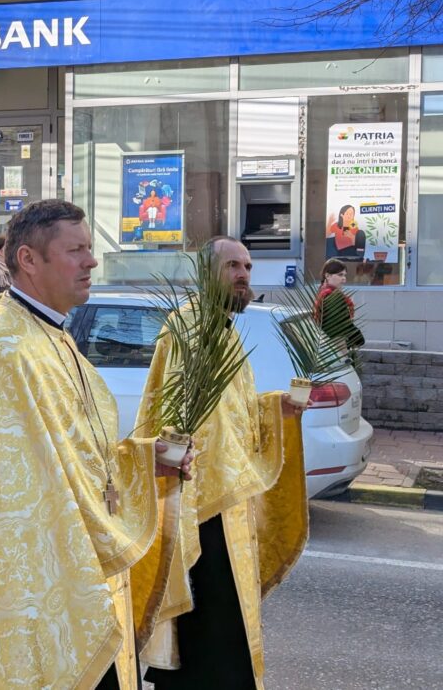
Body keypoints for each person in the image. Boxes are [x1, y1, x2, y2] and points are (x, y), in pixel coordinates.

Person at [0, 200, 190, 689]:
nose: (91, 261)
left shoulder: (49, 334)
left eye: (89, 249)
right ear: (29, 260)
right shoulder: (5, 351)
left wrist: (145, 460)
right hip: (33, 590)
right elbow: (8, 507)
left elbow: (73, 451)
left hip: (68, 569)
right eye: (75, 250)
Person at [133, 236, 308, 690]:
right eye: (232, 265)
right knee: (211, 626)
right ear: (207, 273)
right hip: (201, 502)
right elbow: (172, 411)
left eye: (247, 266)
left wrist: (276, 407)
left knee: (223, 622)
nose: (243, 275)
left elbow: (233, 411)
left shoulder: (222, 329)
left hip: (228, 500)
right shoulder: (187, 326)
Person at [314, 258, 365, 349]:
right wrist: (357, 338)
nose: (344, 279)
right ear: (327, 276)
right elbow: (339, 327)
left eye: (345, 275)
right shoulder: (331, 296)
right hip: (338, 345)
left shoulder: (324, 292)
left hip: (330, 344)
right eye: (340, 275)